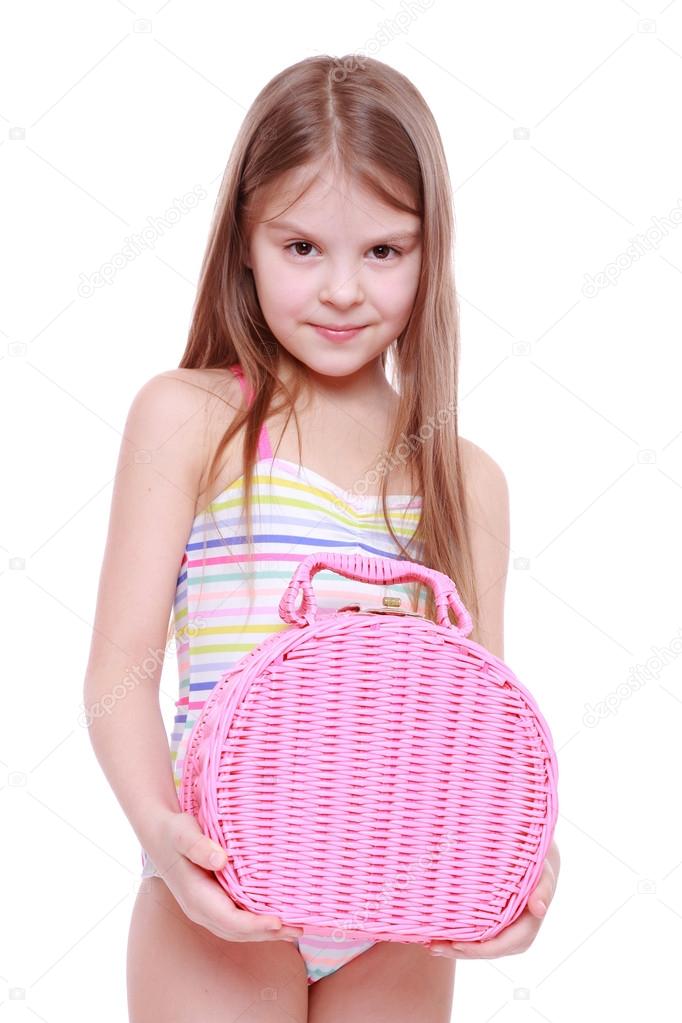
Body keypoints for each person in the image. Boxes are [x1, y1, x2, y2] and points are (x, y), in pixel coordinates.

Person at [84, 53, 559, 1023]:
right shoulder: (190, 419)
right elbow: (119, 668)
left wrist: (525, 856)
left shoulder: (463, 481)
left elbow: (479, 725)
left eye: (384, 251)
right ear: (244, 244)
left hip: (401, 902)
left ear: (432, 254)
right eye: (302, 248)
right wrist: (160, 834)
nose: (343, 289)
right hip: (218, 887)